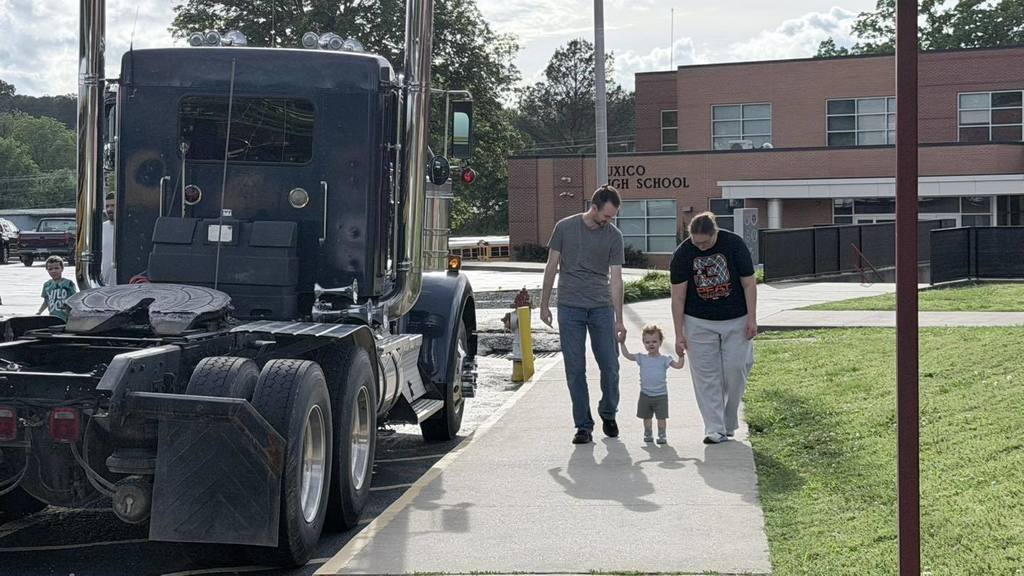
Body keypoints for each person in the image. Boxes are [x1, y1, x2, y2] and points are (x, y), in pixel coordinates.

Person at [541, 185, 628, 445]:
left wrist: (619, 319)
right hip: (570, 307)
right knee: (575, 369)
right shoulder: (564, 227)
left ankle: (608, 413)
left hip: (601, 308)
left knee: (610, 367)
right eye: (607, 216)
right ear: (594, 208)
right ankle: (583, 426)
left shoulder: (614, 236)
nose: (609, 221)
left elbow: (616, 280)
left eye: (613, 217)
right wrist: (544, 304)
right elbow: (551, 266)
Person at [670, 211, 757, 445]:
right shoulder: (683, 253)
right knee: (706, 377)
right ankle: (714, 428)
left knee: (735, 369)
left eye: (705, 242)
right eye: (695, 241)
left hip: (736, 318)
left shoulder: (734, 245)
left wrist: (752, 319)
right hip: (698, 321)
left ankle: (729, 418)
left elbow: (749, 284)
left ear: (715, 232)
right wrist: (679, 334)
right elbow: (677, 297)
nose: (700, 246)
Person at [619, 323, 685, 444]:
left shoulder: (665, 359)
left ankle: (662, 434)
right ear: (643, 343)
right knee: (647, 417)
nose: (651, 344)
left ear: (660, 342)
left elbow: (679, 366)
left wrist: (681, 356)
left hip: (661, 395)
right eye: (647, 342)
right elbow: (627, 355)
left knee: (661, 417)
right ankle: (648, 432)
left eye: (654, 341)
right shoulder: (641, 358)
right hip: (645, 394)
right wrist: (622, 343)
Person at [37, 255, 78, 322]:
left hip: (66, 318)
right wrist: (39, 312)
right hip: (53, 317)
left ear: (62, 268)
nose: (53, 271)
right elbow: (46, 301)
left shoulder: (68, 284)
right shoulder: (47, 285)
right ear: (47, 270)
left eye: (56, 268)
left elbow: (74, 300)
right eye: (50, 269)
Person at [102, 192, 117, 285]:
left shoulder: (129, 229)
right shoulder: (101, 228)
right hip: (104, 284)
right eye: (107, 206)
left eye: (113, 205)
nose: (109, 209)